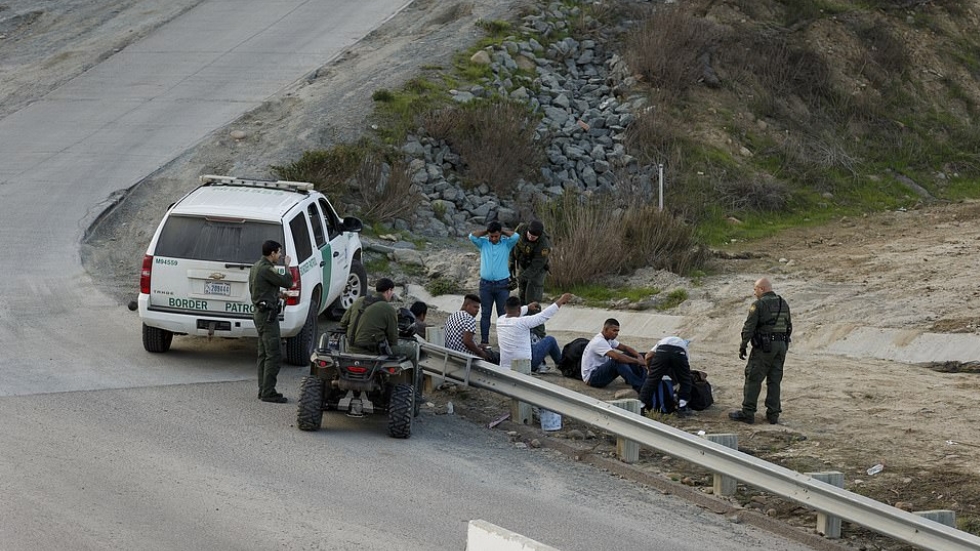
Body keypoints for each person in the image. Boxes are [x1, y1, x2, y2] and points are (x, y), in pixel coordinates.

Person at [730, 277, 792, 425]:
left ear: (762, 289)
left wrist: (743, 345)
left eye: (755, 289)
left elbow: (749, 327)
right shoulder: (783, 303)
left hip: (764, 347)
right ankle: (773, 415)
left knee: (753, 377)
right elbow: (788, 326)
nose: (754, 292)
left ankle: (748, 412)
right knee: (775, 380)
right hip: (781, 346)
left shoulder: (758, 305)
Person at [249, 240, 295, 403]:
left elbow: (257, 290)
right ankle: (268, 391)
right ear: (272, 253)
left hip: (260, 313)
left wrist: (277, 295)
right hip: (267, 317)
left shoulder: (256, 267)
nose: (281, 255)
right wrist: (287, 266)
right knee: (274, 354)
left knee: (263, 354)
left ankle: (263, 389)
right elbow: (288, 282)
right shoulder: (267, 268)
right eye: (279, 252)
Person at [469, 220, 520, 346]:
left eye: (496, 236)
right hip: (486, 285)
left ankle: (504, 341)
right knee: (485, 313)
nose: (494, 238)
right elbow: (471, 236)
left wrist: (502, 231)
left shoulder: (506, 244)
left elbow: (516, 236)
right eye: (491, 236)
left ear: (500, 235)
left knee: (503, 314)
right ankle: (484, 341)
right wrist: (487, 231)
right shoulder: (483, 243)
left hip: (502, 285)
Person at [339, 278, 417, 359]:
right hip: (373, 353)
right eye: (392, 291)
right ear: (389, 290)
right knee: (411, 352)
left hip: (350, 349)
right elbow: (393, 340)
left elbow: (343, 323)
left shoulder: (359, 300)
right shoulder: (389, 309)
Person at [495, 294, 572, 373]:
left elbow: (515, 312)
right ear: (518, 309)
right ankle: (561, 365)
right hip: (526, 364)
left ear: (505, 308)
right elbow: (543, 316)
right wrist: (560, 301)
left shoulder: (500, 320)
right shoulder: (523, 322)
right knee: (550, 340)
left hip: (506, 365)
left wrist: (527, 307)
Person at [509, 220, 551, 339]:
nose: (531, 238)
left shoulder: (544, 245)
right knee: (522, 298)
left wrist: (519, 279)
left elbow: (536, 266)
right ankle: (523, 327)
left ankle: (539, 334)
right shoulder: (521, 229)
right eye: (530, 235)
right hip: (523, 264)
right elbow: (512, 245)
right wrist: (511, 262)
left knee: (532, 301)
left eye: (534, 237)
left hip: (537, 270)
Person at [581, 318, 646, 392]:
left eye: (617, 331)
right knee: (617, 361)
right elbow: (616, 357)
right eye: (614, 330)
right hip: (592, 378)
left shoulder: (609, 339)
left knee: (628, 354)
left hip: (600, 371)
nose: (616, 333)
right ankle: (639, 385)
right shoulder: (598, 341)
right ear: (605, 329)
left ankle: (639, 378)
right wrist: (638, 361)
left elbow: (625, 348)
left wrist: (639, 356)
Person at [640, 336, 694, 416]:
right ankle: (682, 406)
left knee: (652, 380)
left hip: (662, 351)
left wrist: (650, 370)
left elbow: (648, 356)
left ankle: (641, 405)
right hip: (679, 353)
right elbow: (685, 371)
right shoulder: (683, 346)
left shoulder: (661, 341)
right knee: (685, 380)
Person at [444, 294, 496, 362]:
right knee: (494, 356)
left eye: (478, 308)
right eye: (475, 307)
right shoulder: (469, 319)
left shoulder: (453, 315)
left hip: (452, 353)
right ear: (467, 306)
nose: (477, 310)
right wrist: (481, 353)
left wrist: (477, 346)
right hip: (465, 357)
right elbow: (467, 342)